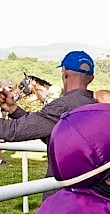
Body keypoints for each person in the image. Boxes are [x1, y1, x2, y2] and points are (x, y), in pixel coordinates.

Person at [0, 50, 97, 201]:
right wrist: (13, 109)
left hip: (62, 197)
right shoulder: (95, 106)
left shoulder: (62, 106)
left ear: (64, 73)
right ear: (91, 79)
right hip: (90, 196)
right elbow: (48, 131)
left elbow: (13, 131)